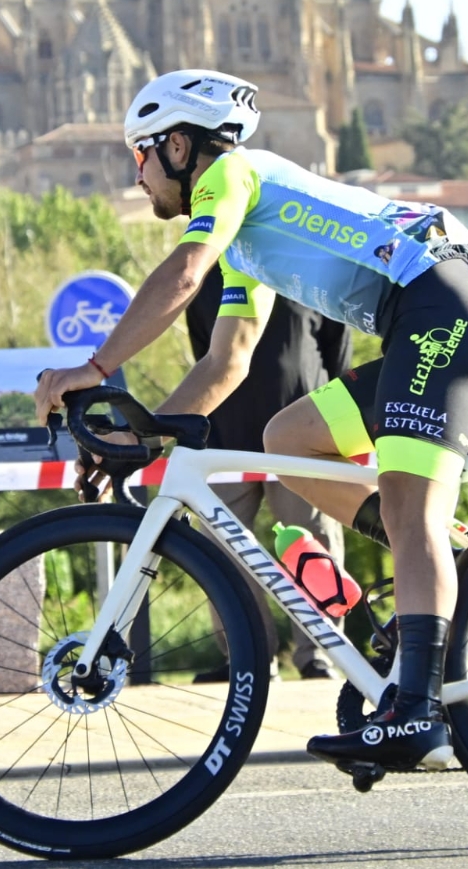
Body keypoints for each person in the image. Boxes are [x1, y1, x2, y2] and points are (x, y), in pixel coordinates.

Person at [35, 69, 468, 774]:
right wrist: (142, 438)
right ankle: (430, 571)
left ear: (176, 144)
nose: (136, 176)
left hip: (441, 313)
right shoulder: (250, 236)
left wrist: (96, 366)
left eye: (138, 155)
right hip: (430, 320)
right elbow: (227, 360)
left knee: (413, 514)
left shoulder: (233, 175)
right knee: (287, 440)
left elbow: (182, 273)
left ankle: (416, 712)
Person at [185, 262, 352, 682]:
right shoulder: (207, 278)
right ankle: (248, 656)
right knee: (222, 553)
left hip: (304, 442)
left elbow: (338, 356)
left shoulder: (308, 275)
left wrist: (333, 431)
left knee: (313, 547)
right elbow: (205, 355)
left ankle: (320, 655)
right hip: (226, 440)